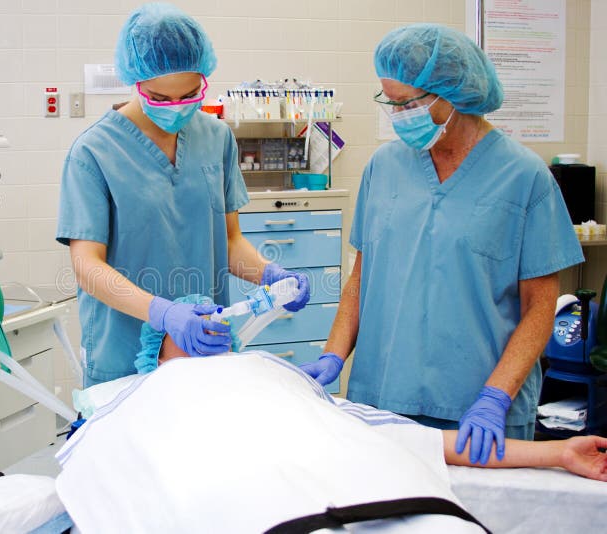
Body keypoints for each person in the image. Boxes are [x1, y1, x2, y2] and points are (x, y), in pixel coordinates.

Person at [299, 23, 584, 466]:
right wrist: (333, 356)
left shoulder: (524, 178)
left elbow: (540, 309)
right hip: (383, 400)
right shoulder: (384, 168)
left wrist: (495, 396)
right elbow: (362, 278)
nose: (397, 115)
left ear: (453, 93)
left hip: (479, 413)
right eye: (389, 103)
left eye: (408, 103)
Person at [59, 310, 607, 533]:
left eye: (214, 317)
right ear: (157, 348)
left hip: (387, 502)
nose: (212, 324)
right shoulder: (135, 398)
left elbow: (426, 442)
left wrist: (558, 452)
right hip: (247, 505)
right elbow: (100, 467)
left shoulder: (275, 376)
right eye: (192, 322)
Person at [55, 3, 309, 387]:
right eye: (160, 97)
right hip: (126, 353)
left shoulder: (216, 137)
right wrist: (161, 312)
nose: (176, 109)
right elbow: (88, 267)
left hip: (203, 348)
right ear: (135, 83)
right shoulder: (94, 153)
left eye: (189, 95)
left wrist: (270, 276)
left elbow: (229, 240)